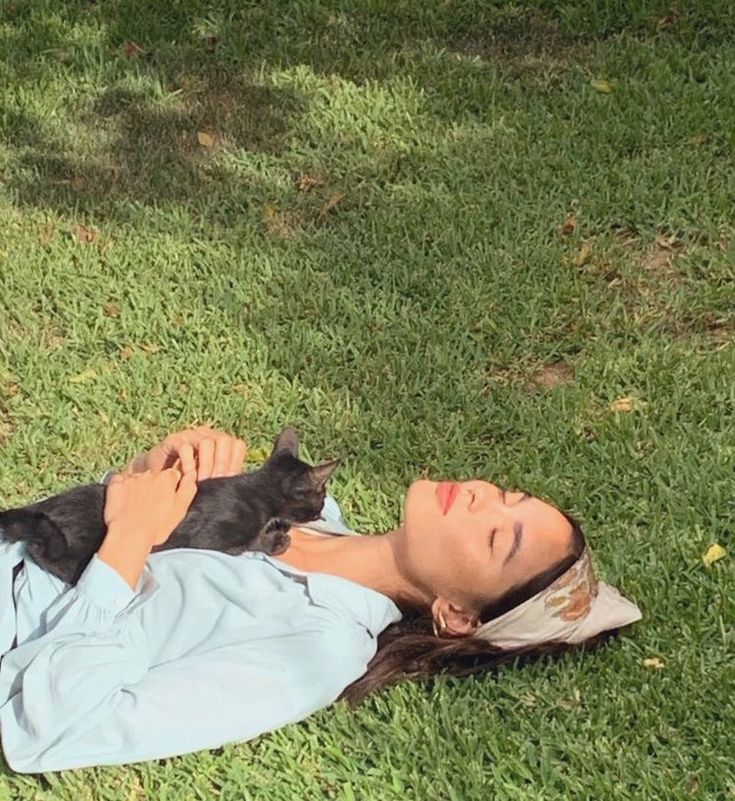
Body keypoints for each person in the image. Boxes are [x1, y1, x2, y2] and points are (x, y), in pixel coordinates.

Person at [0, 426, 642, 772]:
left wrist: (133, 539)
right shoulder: (308, 505)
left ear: (457, 614)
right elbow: (89, 526)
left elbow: (44, 730)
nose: (478, 495)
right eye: (506, 494)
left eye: (498, 536)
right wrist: (150, 475)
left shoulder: (319, 650)